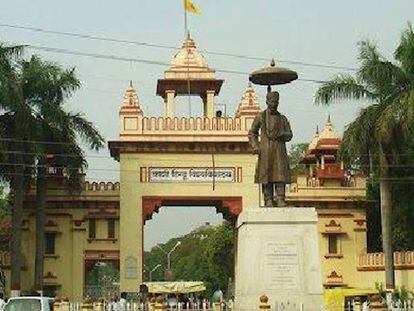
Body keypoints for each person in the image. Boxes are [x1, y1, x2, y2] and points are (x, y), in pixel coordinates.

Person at [249, 91, 293, 207]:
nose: (274, 104)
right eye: (272, 102)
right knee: (266, 176)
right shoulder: (260, 116)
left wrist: (283, 134)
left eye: (276, 102)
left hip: (279, 149)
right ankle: (268, 199)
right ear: (267, 102)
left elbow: (289, 134)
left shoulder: (282, 118)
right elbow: (252, 133)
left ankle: (280, 198)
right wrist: (256, 146)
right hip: (265, 150)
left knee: (280, 175)